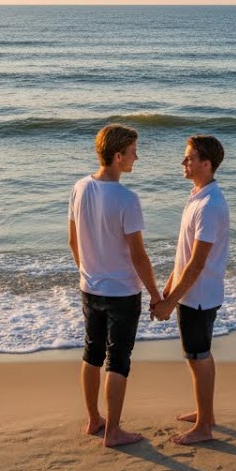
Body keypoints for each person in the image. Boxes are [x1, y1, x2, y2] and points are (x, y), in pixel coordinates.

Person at [69, 123, 161, 448]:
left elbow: (72, 240)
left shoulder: (79, 187)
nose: (138, 156)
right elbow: (138, 255)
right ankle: (114, 431)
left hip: (89, 288)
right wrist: (156, 295)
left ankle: (94, 419)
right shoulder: (126, 199)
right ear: (118, 156)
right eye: (134, 151)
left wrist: (89, 271)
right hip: (121, 293)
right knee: (118, 359)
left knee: (91, 353)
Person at [151, 135, 229, 445]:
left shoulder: (209, 205)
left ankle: (204, 427)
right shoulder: (197, 195)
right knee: (198, 357)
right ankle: (204, 414)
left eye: (189, 158)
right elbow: (183, 254)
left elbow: (197, 264)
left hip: (199, 296)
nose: (183, 163)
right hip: (193, 293)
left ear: (206, 164)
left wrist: (169, 302)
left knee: (198, 358)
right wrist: (168, 289)